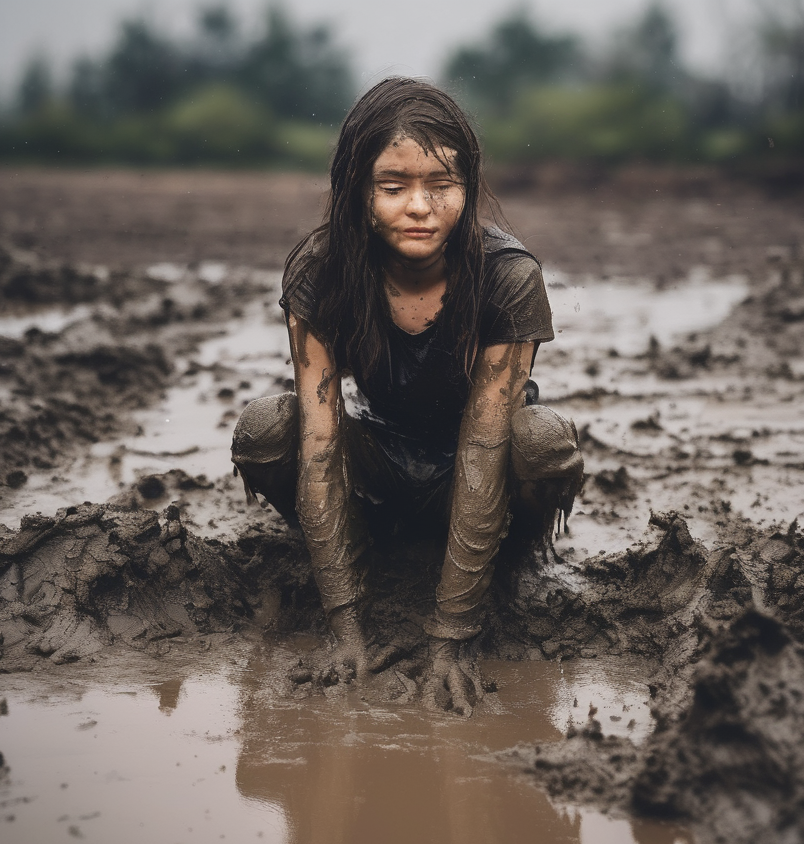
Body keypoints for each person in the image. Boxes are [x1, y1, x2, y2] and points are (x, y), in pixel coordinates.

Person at [231, 78, 583, 712]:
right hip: (385, 462)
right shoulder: (321, 273)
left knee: (544, 440)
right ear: (357, 193)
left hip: (481, 467)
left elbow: (483, 447)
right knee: (264, 429)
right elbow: (318, 444)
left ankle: (512, 564)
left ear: (468, 189)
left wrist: (453, 639)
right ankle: (366, 548)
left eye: (441, 186)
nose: (419, 206)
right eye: (393, 188)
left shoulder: (509, 277)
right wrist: (347, 625)